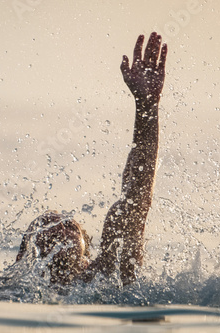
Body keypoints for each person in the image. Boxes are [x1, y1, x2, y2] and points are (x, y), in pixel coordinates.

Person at [15, 32, 168, 286]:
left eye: (70, 227)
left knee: (118, 217)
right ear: (23, 256)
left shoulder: (103, 276)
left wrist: (147, 106)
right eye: (47, 226)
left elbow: (137, 200)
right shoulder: (6, 289)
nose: (61, 229)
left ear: (86, 254)